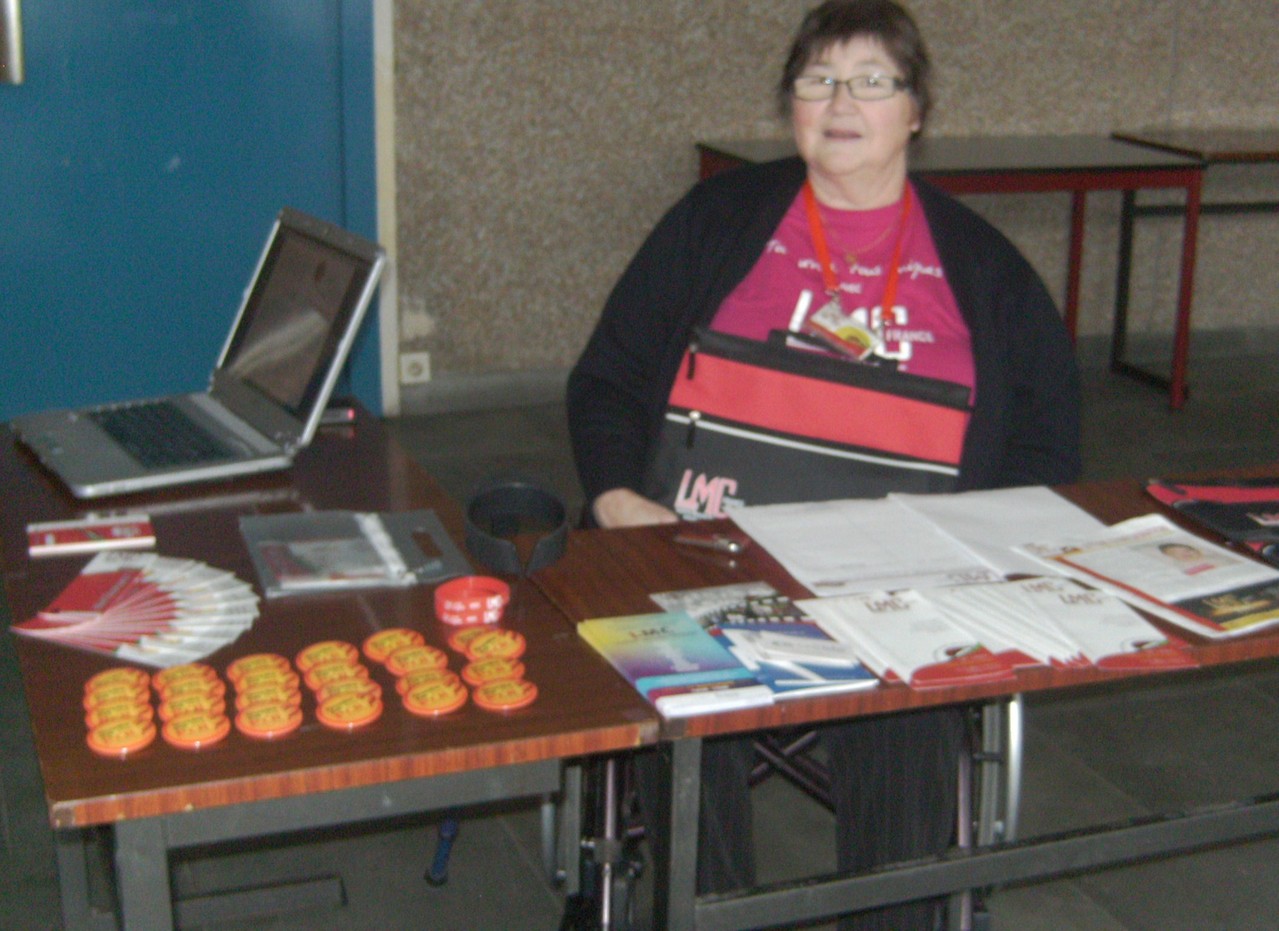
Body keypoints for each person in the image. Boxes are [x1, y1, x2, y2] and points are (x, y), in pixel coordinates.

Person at [567, 1, 1081, 927]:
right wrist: (613, 498)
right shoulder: (716, 220)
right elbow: (608, 376)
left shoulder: (984, 268)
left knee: (907, 714)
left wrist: (972, 555)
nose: (841, 101)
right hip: (700, 557)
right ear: (790, 104)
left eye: (872, 80)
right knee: (691, 714)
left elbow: (1048, 441)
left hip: (890, 579)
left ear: (915, 109)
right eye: (817, 80)